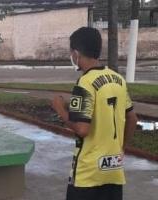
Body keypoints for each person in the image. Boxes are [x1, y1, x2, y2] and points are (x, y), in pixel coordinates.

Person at [51, 27, 138, 200]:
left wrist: (60, 109)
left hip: (88, 175)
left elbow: (82, 129)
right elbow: (132, 118)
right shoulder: (118, 79)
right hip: (113, 171)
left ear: (76, 53)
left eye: (71, 53)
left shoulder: (85, 82)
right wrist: (121, 148)